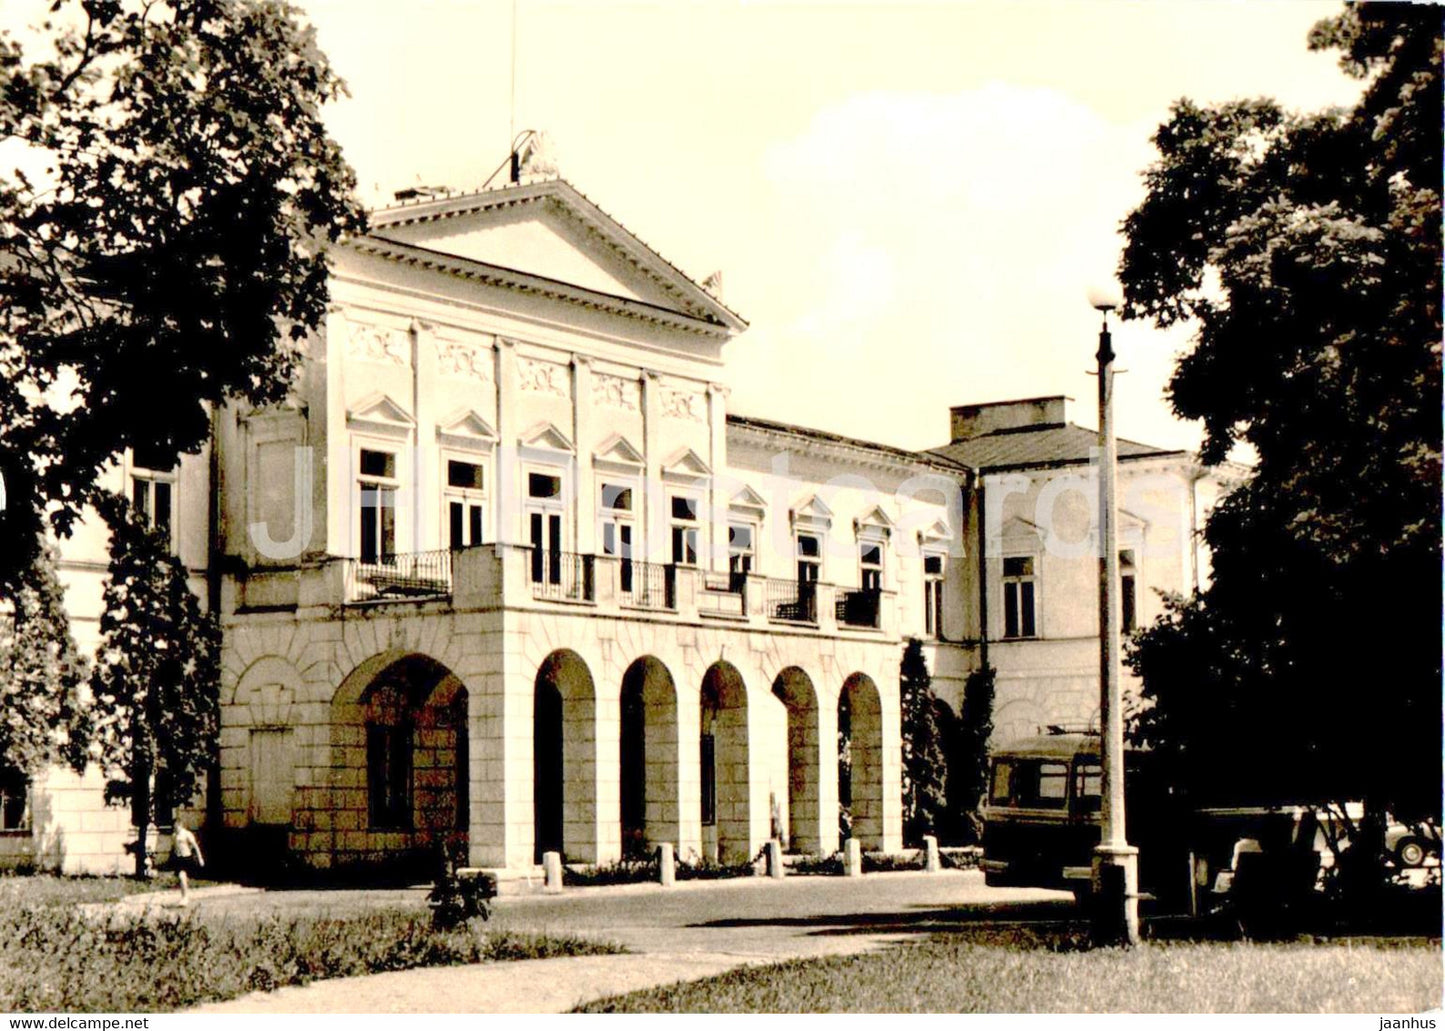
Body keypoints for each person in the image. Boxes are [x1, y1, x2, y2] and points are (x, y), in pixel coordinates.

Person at [169, 821, 204, 906]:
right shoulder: (174, 835)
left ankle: (185, 897)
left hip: (187, 858)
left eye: (177, 827)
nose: (175, 829)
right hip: (179, 859)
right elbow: (173, 848)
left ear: (180, 826)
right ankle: (184, 897)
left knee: (183, 877)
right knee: (182, 878)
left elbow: (195, 846)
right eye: (174, 827)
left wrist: (200, 858)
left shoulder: (187, 834)